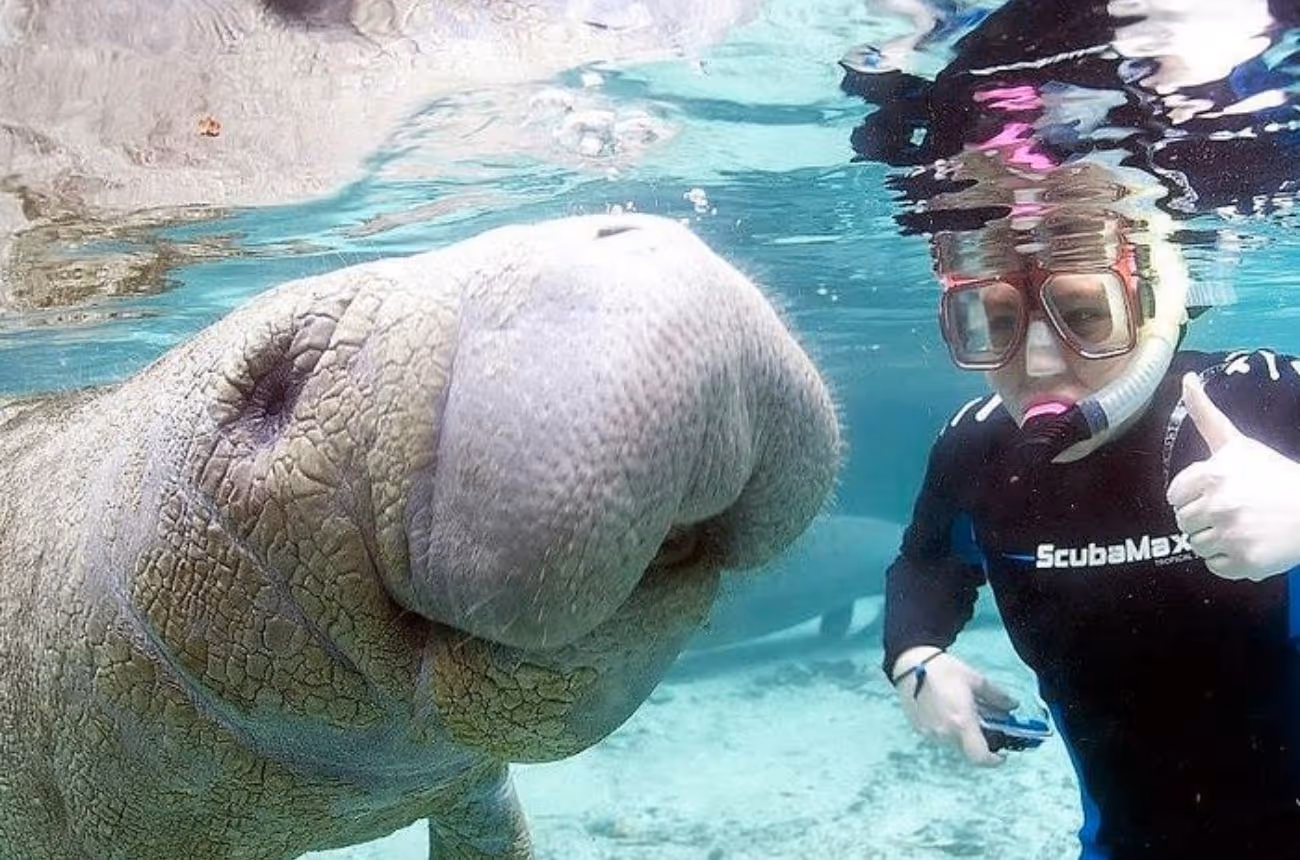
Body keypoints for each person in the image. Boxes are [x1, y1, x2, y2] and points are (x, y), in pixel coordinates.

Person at [882, 159, 1300, 856]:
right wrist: (915, 658)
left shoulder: (1259, 397)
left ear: (1149, 308)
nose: (1039, 363)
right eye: (996, 323)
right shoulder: (975, 449)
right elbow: (926, 565)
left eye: (1082, 316)